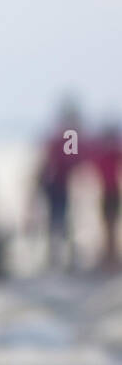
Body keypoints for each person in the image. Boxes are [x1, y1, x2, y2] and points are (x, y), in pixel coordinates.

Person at [33, 101, 85, 269]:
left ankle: (60, 256)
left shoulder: (65, 136)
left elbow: (70, 161)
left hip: (59, 184)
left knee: (60, 220)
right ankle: (58, 256)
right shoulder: (64, 137)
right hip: (56, 184)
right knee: (58, 220)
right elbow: (52, 161)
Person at [90, 122, 122, 268]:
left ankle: (111, 257)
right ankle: (109, 256)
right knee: (107, 225)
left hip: (112, 192)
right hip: (106, 192)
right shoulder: (107, 153)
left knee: (110, 225)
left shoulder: (110, 152)